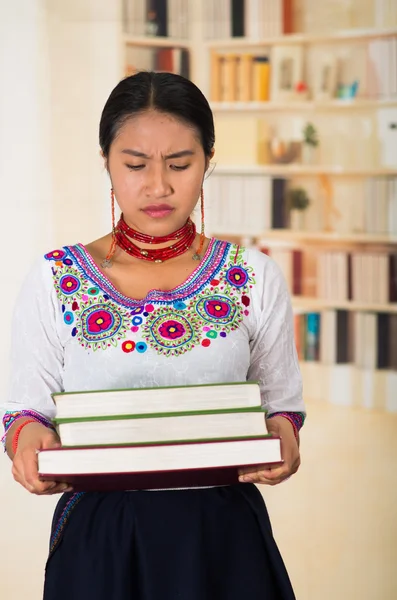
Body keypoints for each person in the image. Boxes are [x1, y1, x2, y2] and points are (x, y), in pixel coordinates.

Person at [2, 71, 305, 600]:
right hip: (103, 538)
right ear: (107, 162)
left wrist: (283, 438)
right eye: (135, 165)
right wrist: (27, 442)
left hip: (222, 537)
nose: (158, 186)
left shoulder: (253, 276)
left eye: (180, 164)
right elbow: (25, 408)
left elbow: (281, 405)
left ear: (208, 160)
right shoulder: (55, 277)